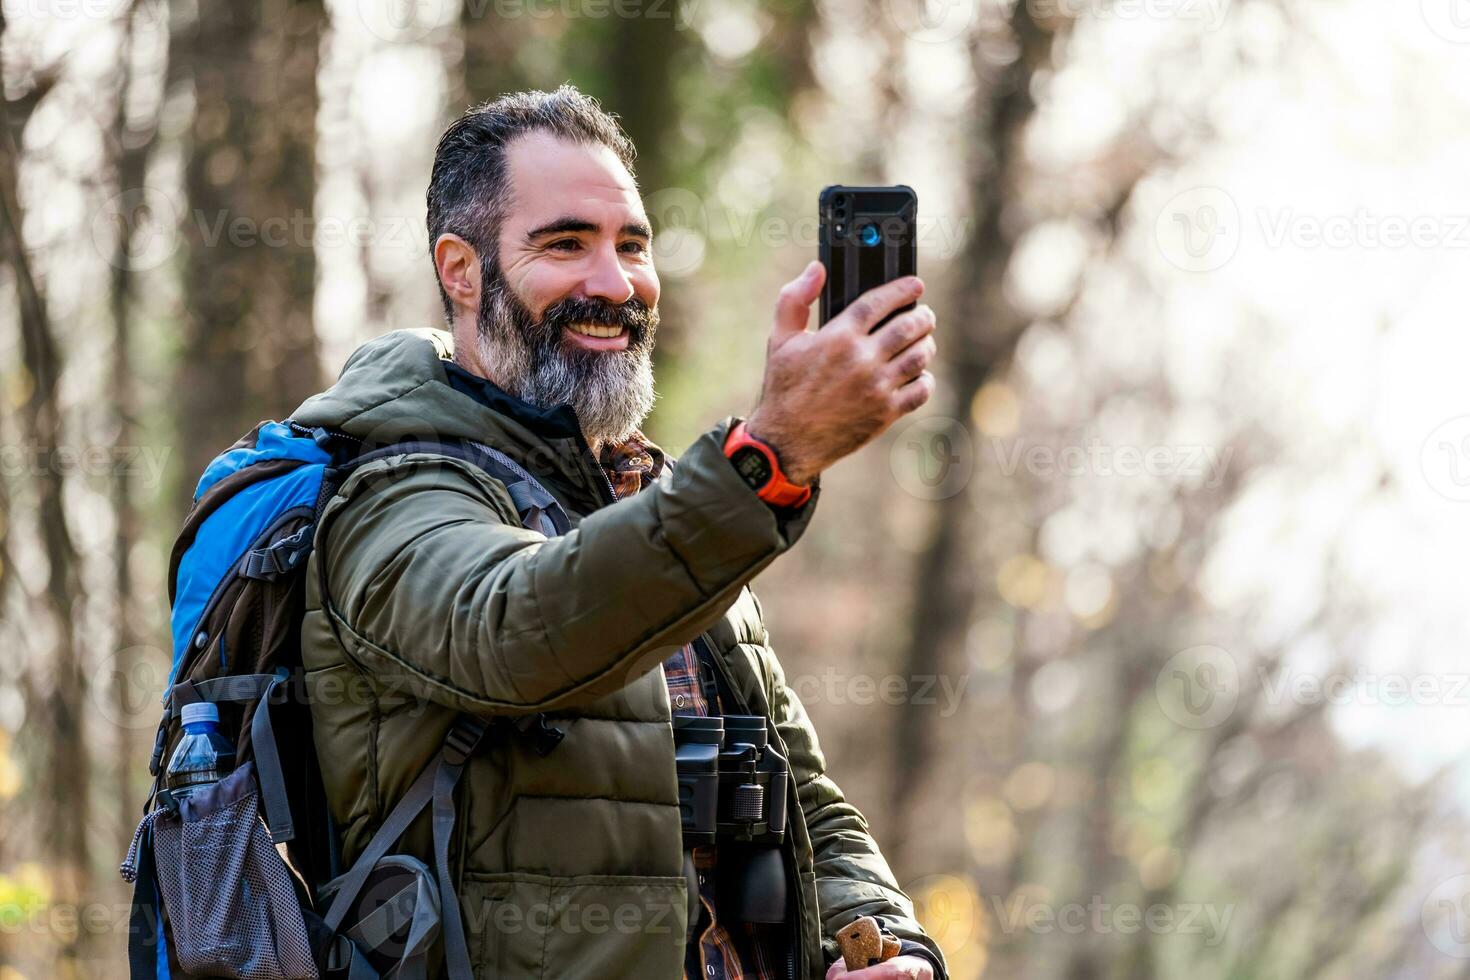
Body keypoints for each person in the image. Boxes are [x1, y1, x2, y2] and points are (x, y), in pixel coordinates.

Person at [293, 84, 944, 980]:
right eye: (566, 243)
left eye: (632, 245)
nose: (615, 282)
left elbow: (802, 800)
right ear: (461, 269)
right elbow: (517, 629)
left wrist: (877, 938)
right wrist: (768, 460)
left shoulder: (657, 495)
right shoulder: (393, 489)